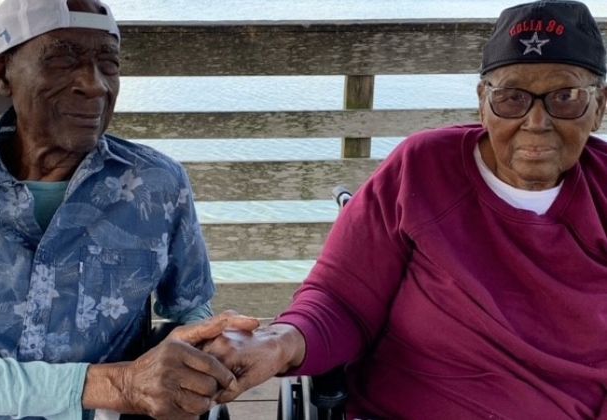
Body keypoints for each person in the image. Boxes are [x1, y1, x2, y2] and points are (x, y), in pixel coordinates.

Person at [202, 1, 607, 418]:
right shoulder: (422, 168)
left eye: (566, 97)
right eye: (511, 98)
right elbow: (341, 300)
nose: (536, 121)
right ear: (483, 103)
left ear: (599, 107)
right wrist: (278, 342)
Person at [0, 0, 258, 419]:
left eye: (108, 64)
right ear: (3, 74)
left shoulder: (157, 183)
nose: (94, 84)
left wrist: (211, 347)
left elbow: (190, 311)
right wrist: (122, 384)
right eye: (61, 60)